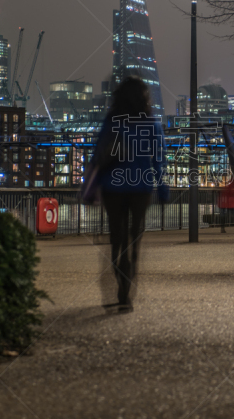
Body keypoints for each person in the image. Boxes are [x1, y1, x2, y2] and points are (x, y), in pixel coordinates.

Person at [89, 77, 167, 313]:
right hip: (141, 186)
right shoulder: (151, 123)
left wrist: (90, 186)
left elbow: (98, 154)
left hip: (113, 187)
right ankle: (128, 285)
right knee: (135, 239)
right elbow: (159, 158)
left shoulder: (112, 122)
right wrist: (162, 187)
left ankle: (121, 283)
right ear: (144, 98)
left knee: (117, 238)